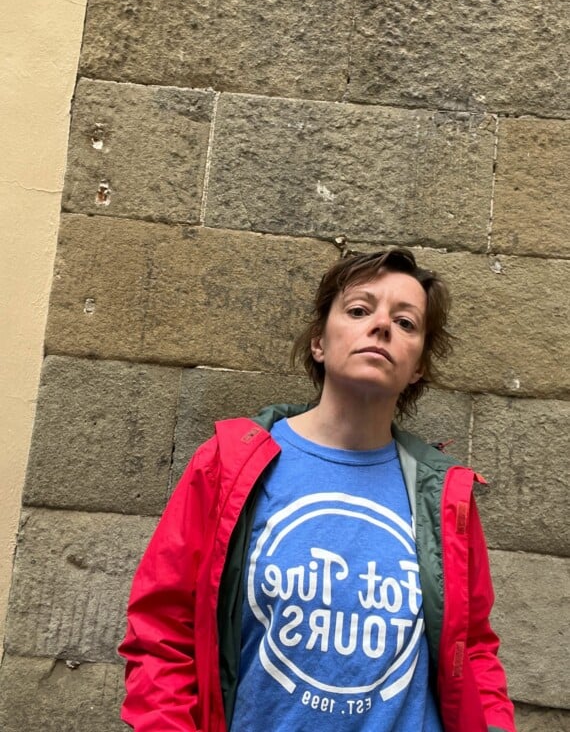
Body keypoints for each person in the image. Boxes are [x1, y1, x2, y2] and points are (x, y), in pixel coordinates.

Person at [119, 248, 516, 732]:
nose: (382, 326)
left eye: (406, 322)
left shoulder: (444, 497)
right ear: (318, 343)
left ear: (417, 368)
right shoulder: (228, 465)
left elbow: (472, 651)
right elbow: (162, 631)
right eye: (358, 310)